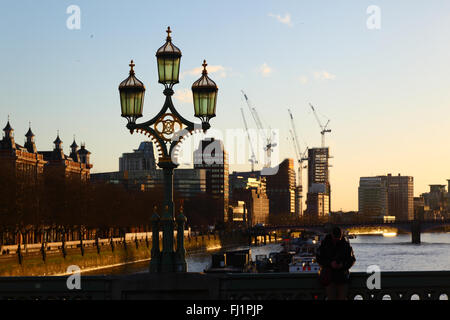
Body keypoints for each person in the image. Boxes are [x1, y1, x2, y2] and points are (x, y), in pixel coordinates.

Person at [316, 227, 356, 300]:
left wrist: (342, 265)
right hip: (332, 277)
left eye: (338, 237)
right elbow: (319, 258)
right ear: (332, 235)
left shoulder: (345, 245)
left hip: (340, 277)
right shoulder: (325, 244)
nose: (337, 239)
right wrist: (330, 264)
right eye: (336, 237)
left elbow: (352, 260)